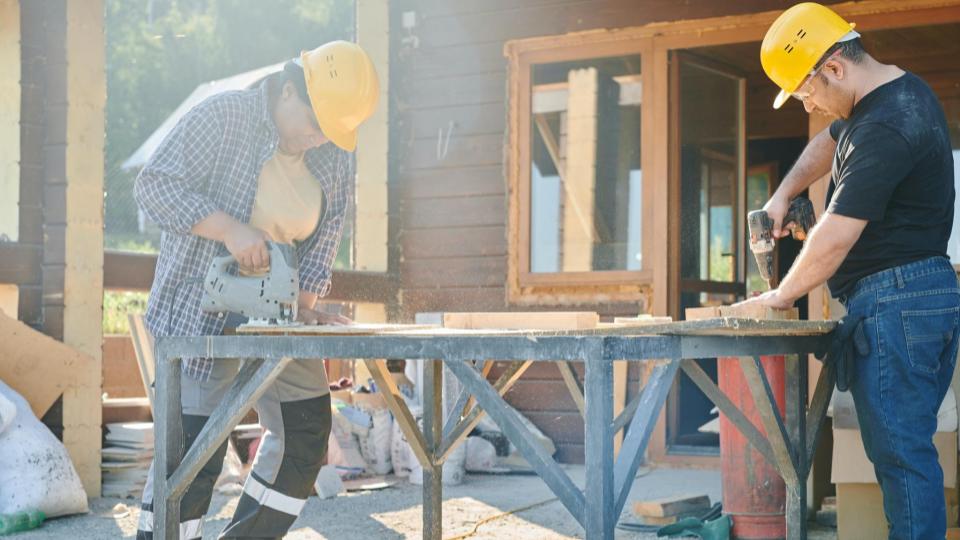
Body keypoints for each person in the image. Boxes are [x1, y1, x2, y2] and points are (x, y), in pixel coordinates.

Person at [133, 41, 379, 539]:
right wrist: (227, 229)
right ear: (289, 90)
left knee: (305, 433)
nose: (318, 138)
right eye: (314, 124)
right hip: (200, 312)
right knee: (194, 457)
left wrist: (306, 304)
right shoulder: (224, 118)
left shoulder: (331, 151)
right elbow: (153, 186)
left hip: (280, 314)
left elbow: (327, 232)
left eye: (329, 130)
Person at [738, 3, 959, 538]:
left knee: (902, 459)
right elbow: (828, 142)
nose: (808, 102)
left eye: (806, 90)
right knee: (903, 453)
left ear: (833, 66)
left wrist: (780, 295)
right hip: (909, 296)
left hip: (897, 301)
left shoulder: (887, 124)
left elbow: (835, 236)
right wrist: (783, 195)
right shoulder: (887, 100)